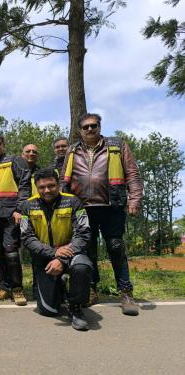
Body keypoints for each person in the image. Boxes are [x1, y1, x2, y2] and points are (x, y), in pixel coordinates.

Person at [62, 113, 143, 316]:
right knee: (87, 250)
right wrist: (62, 204)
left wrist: (134, 199)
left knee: (116, 247)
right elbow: (64, 179)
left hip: (111, 206)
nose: (90, 129)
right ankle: (91, 289)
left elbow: (132, 173)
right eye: (86, 127)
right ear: (80, 130)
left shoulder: (117, 145)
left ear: (99, 127)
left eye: (94, 126)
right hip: (82, 208)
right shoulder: (72, 150)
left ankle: (125, 293)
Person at [19, 168, 92, 331]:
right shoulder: (27, 206)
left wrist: (61, 258)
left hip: (72, 253)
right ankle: (60, 285)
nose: (46, 190)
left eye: (51, 186)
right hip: (44, 257)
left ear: (58, 184)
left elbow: (84, 234)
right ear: (36, 187)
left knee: (82, 267)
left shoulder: (74, 202)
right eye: (42, 187)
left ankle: (76, 308)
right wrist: (52, 253)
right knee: (49, 310)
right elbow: (27, 237)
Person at [0, 134, 31, 305]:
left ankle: (17, 289)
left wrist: (19, 209)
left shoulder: (14, 161)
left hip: (11, 214)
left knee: (11, 252)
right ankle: (4, 287)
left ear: (3, 145)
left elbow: (25, 185)